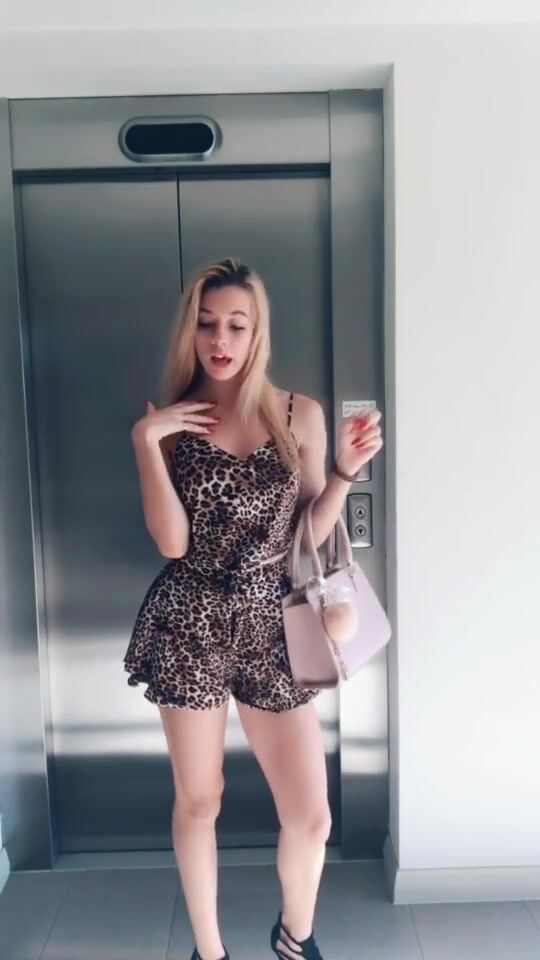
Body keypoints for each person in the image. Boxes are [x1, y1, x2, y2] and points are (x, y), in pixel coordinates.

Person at [123, 257, 383, 960]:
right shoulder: (173, 424)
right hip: (192, 620)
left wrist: (345, 472)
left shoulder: (300, 414)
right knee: (199, 800)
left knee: (310, 814)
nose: (220, 339)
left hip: (274, 622)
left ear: (257, 330)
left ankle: (295, 938)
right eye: (207, 324)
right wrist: (146, 440)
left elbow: (310, 535)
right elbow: (173, 543)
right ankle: (209, 954)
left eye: (236, 324)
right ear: (191, 331)